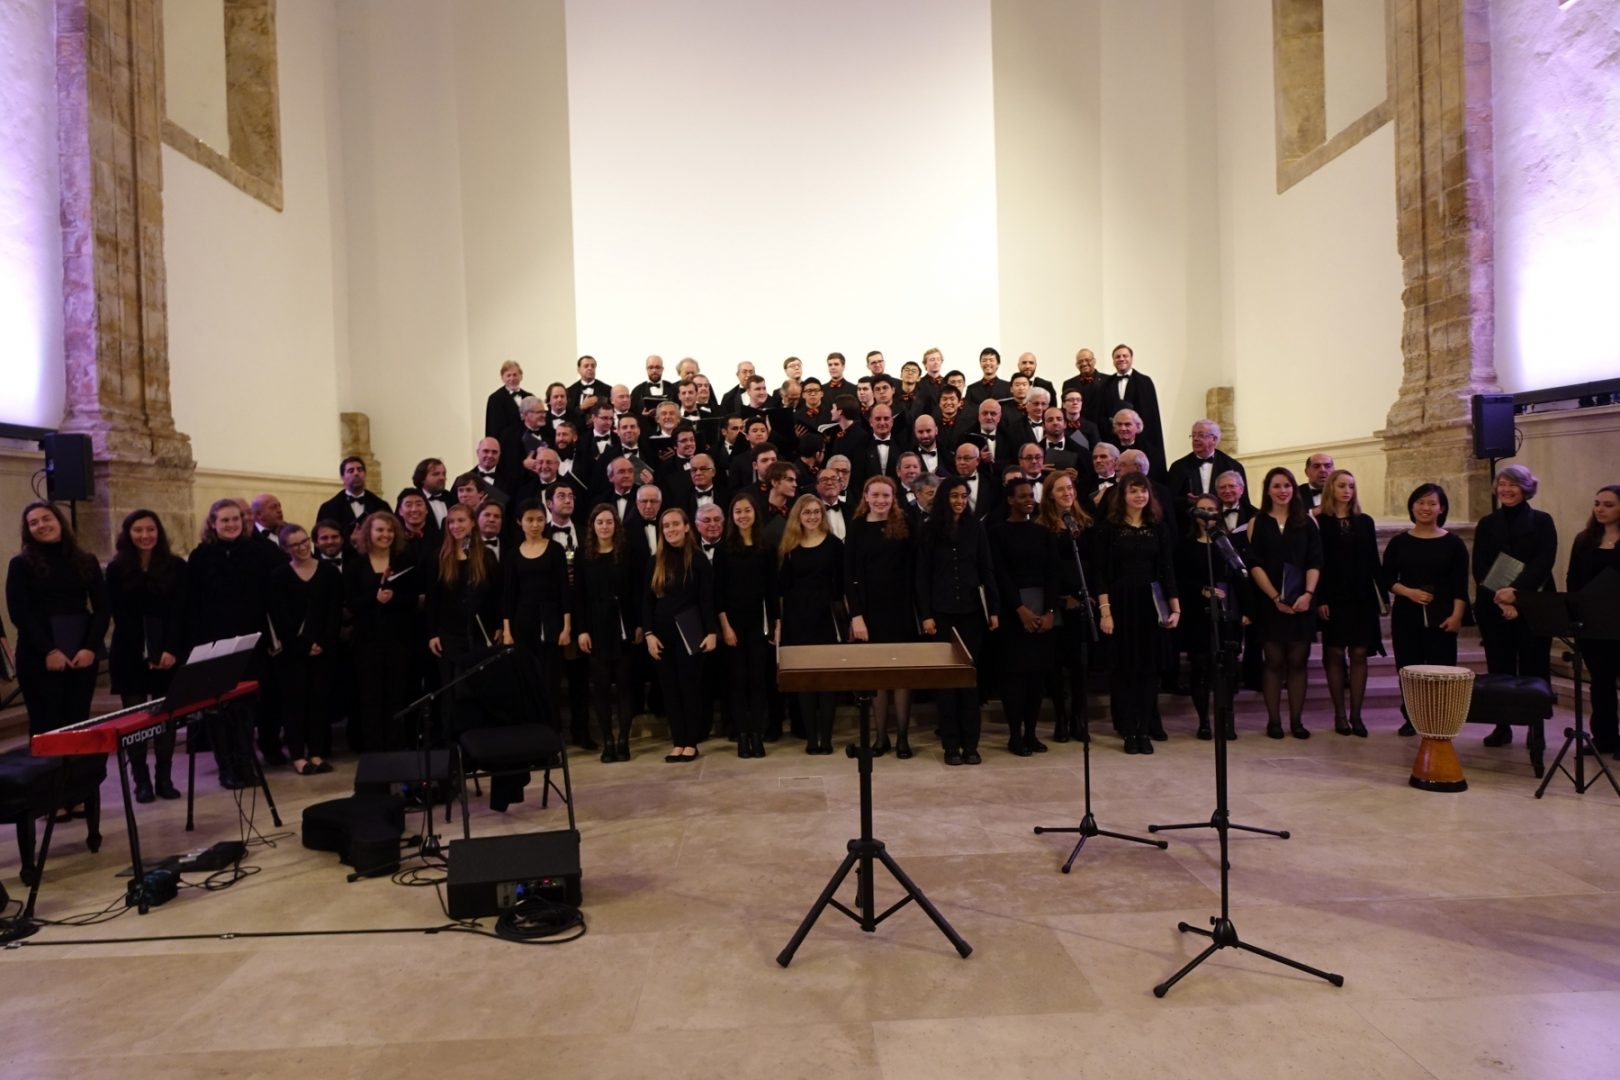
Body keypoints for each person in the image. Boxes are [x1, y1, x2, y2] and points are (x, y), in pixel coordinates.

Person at [187, 497, 281, 784]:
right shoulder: (201, 556)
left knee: (245, 707)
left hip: (250, 641)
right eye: (224, 520)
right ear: (213, 524)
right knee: (218, 708)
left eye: (235, 519)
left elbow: (270, 599)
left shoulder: (258, 553)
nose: (230, 525)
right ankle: (226, 767)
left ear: (243, 522)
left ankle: (246, 763)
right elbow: (192, 604)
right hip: (213, 643)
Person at [7, 503, 108, 748]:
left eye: (46, 519)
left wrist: (89, 648)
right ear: (27, 530)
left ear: (59, 521)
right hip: (39, 656)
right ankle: (48, 786)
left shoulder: (86, 560)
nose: (41, 525)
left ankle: (77, 785)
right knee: (46, 726)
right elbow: (20, 614)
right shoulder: (20, 564)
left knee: (77, 723)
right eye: (33, 523)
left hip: (81, 654)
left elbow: (103, 609)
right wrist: (49, 651)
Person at [916, 476, 1000, 765]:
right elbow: (922, 577)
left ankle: (971, 745)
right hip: (941, 615)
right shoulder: (929, 530)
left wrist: (994, 610)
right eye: (954, 496)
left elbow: (987, 569)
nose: (960, 501)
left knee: (968, 682)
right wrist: (926, 615)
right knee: (946, 683)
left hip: (971, 614)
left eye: (964, 496)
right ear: (944, 498)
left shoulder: (976, 529)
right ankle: (950, 746)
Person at [1473, 464, 1558, 748]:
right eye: (1502, 484)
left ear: (1526, 488)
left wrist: (1517, 596)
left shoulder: (1543, 521)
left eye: (1514, 484)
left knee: (1535, 667)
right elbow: (1481, 566)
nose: (1506, 490)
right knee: (1500, 667)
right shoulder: (1487, 524)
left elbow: (1544, 562)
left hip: (1533, 605)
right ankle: (1502, 727)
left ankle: (1537, 730)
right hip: (1494, 606)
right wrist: (1502, 599)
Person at [105, 509, 186, 802]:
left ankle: (164, 777)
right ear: (128, 534)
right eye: (138, 530)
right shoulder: (116, 569)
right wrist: (144, 652)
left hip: (168, 652)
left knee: (165, 719)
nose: (145, 535)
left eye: (150, 529)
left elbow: (180, 612)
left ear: (158, 532)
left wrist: (169, 650)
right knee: (136, 721)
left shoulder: (176, 566)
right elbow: (119, 615)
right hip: (130, 653)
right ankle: (140, 779)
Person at [1097, 474, 1180, 754]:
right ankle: (1129, 731)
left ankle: (1144, 729)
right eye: (1133, 492)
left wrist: (1175, 607)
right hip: (1120, 603)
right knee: (1123, 672)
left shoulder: (1159, 528)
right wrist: (1105, 612)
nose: (1139, 497)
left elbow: (1168, 569)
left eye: (1143, 491)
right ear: (1123, 496)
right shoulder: (1109, 528)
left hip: (1151, 603)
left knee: (1148, 672)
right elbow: (1102, 574)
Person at [1380, 483, 1469, 738]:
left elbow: (1460, 585)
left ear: (1441, 508)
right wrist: (1409, 592)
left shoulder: (1454, 543)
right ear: (1412, 506)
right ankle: (1412, 717)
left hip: (1443, 615)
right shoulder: (1399, 542)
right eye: (1420, 502)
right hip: (1407, 614)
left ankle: (1440, 718)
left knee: (1442, 668)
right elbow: (1387, 579)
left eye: (1432, 503)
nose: (1426, 508)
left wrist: (1457, 616)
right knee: (1408, 668)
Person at [1247, 467, 1323, 740]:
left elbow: (1315, 561)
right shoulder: (1258, 522)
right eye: (1276, 486)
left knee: (1298, 660)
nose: (1282, 491)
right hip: (1270, 603)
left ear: (1294, 489)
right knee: (1274, 661)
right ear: (1268, 490)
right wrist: (1275, 597)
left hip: (1302, 601)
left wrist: (1308, 595)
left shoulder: (1307, 522)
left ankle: (1297, 721)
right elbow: (1253, 564)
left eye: (1287, 485)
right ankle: (1274, 721)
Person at [845, 476, 916, 756]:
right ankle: (880, 737)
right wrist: (856, 616)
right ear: (865, 495)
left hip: (899, 610)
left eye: (886, 495)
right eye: (875, 495)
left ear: (893, 497)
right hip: (869, 611)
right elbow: (849, 575)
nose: (880, 500)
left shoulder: (905, 525)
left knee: (900, 676)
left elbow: (914, 569)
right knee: (877, 677)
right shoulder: (857, 528)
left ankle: (902, 737)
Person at [991, 477, 1059, 756]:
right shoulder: (996, 532)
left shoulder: (1044, 532)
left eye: (1031, 495)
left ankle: (1031, 733)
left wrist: (1050, 611)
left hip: (1042, 609)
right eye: (1022, 496)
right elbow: (1000, 574)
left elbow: (1053, 574)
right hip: (1012, 613)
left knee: (1036, 678)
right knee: (1015, 678)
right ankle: (1014, 735)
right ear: (1010, 500)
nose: (1029, 499)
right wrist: (1019, 609)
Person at [1314, 470, 1384, 737]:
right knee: (1333, 653)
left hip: (1362, 596)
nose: (1347, 491)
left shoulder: (1364, 521)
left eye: (1351, 486)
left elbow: (1373, 561)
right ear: (1331, 488)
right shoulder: (1320, 522)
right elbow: (1316, 562)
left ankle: (1356, 715)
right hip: (1333, 596)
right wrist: (1320, 597)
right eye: (1342, 486)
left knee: (1358, 653)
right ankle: (1339, 714)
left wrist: (1381, 597)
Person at [643, 508, 717, 762]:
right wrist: (649, 634)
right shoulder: (655, 560)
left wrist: (711, 632)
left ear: (687, 527)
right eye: (666, 526)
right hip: (662, 632)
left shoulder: (697, 559)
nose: (671, 529)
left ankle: (691, 742)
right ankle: (677, 741)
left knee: (689, 687)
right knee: (669, 689)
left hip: (690, 629)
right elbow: (647, 602)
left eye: (676, 524)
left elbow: (707, 599)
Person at [267, 524, 341, 775]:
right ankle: (298, 755)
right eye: (294, 545)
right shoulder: (278, 576)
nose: (301, 548)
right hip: (292, 653)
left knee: (320, 702)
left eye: (304, 541)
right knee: (294, 703)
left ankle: (317, 753)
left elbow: (333, 612)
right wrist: (303, 646)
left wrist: (322, 643)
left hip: (324, 648)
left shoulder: (329, 573)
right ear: (285, 549)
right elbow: (280, 617)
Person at [345, 510, 420, 753]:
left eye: (389, 530)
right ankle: (373, 748)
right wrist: (374, 598)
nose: (385, 534)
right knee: (369, 695)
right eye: (379, 530)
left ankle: (396, 744)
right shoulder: (356, 565)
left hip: (399, 638)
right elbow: (349, 604)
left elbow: (414, 600)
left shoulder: (404, 562)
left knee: (397, 693)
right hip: (367, 640)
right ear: (369, 533)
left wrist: (394, 597)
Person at [425, 503, 504, 733]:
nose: (456, 526)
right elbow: (432, 601)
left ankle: (479, 739)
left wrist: (497, 624)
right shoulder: (438, 558)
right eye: (451, 522)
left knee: (478, 687)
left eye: (461, 521)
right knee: (451, 689)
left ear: (472, 523)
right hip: (449, 634)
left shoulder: (485, 557)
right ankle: (453, 743)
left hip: (479, 632)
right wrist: (433, 634)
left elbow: (496, 595)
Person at [776, 495, 845, 754]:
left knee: (826, 681)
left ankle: (826, 738)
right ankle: (811, 739)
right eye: (807, 513)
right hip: (797, 619)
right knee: (805, 682)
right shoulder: (790, 547)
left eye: (817, 512)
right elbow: (782, 589)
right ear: (798, 516)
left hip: (826, 618)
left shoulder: (835, 545)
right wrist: (781, 623)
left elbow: (842, 586)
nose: (813, 516)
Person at [575, 503, 644, 761]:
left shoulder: (629, 554)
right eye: (600, 522)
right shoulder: (585, 556)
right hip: (595, 624)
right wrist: (582, 630)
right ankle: (607, 741)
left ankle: (624, 739)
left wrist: (639, 624)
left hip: (624, 621)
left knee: (625, 685)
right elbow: (579, 596)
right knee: (601, 687)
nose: (605, 526)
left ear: (616, 525)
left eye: (609, 521)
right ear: (593, 526)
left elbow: (638, 593)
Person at [502, 499, 575, 741]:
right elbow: (509, 594)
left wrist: (566, 626)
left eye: (539, 519)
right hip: (523, 622)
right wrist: (507, 631)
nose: (535, 524)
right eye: (530, 520)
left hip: (551, 620)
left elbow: (564, 589)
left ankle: (553, 736)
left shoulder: (554, 549)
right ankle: (533, 738)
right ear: (519, 522)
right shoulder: (512, 554)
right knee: (528, 681)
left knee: (550, 681)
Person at [1176, 494, 1243, 741]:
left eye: (1211, 510)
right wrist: (1201, 590)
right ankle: (1204, 720)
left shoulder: (1227, 542)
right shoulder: (1184, 544)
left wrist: (1243, 611)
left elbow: (1239, 575)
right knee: (1201, 666)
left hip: (1226, 613)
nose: (1206, 514)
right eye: (1201, 509)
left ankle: (1227, 719)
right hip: (1197, 613)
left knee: (1228, 669)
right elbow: (1179, 580)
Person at [1037, 469, 1097, 743]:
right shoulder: (1042, 528)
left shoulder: (1084, 525)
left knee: (1080, 666)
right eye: (1060, 489)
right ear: (1050, 495)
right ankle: (1061, 718)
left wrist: (1088, 595)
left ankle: (1078, 718)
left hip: (1083, 604)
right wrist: (1062, 599)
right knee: (1056, 666)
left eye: (1070, 488)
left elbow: (1094, 566)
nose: (1067, 493)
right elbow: (1046, 571)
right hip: (1057, 605)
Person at [717, 493, 778, 758]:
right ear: (732, 517)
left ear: (755, 514)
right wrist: (726, 628)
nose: (743, 515)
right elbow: (717, 594)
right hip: (733, 624)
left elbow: (773, 590)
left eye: (747, 511)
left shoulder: (766, 547)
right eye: (738, 511)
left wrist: (776, 624)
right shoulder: (724, 548)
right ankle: (742, 734)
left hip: (759, 623)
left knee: (758, 680)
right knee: (737, 680)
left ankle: (757, 733)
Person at [1567, 485, 1620, 756]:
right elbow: (1573, 579)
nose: (1600, 509)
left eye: (1608, 504)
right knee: (1600, 682)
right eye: (1597, 503)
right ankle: (1605, 737)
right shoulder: (1585, 539)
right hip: (1593, 623)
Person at [316, 456, 390, 538]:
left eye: (360, 470)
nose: (356, 473)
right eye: (350, 471)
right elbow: (321, 541)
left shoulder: (381, 506)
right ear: (342, 477)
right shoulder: (328, 509)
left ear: (365, 474)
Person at [485, 359, 533, 438]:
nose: (512, 378)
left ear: (521, 376)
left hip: (528, 445)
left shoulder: (529, 397)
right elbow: (492, 428)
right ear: (502, 378)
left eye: (515, 375)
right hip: (506, 444)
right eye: (508, 375)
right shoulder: (495, 399)